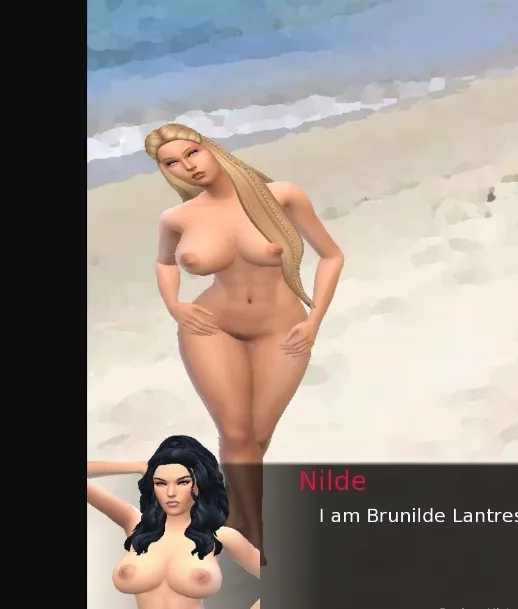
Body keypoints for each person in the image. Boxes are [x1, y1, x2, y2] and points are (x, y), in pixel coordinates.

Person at [146, 123, 345, 554]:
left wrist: (315, 320)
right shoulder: (177, 218)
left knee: (256, 435)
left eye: (192, 153)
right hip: (211, 327)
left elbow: (332, 255)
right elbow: (164, 263)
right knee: (236, 434)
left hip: (282, 328)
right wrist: (175, 305)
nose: (187, 167)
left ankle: (235, 512)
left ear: (210, 148)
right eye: (172, 163)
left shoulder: (282, 196)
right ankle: (253, 537)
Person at [88, 435, 262, 608]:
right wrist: (138, 466)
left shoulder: (219, 535)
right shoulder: (135, 524)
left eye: (182, 482)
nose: (170, 493)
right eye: (161, 483)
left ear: (200, 482)